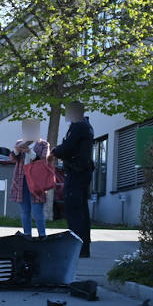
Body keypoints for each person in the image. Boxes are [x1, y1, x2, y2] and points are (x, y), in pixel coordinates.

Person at [52, 101, 95, 257]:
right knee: (81, 211)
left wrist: (54, 152)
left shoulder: (78, 127)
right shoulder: (86, 126)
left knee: (74, 211)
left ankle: (78, 249)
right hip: (82, 172)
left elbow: (67, 147)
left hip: (77, 172)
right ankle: (83, 249)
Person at [9, 118, 50, 238]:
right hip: (21, 181)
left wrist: (29, 152)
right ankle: (27, 234)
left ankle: (42, 235)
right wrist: (16, 150)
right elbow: (12, 158)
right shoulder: (19, 142)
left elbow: (43, 160)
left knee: (37, 211)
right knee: (24, 211)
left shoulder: (43, 144)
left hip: (37, 182)